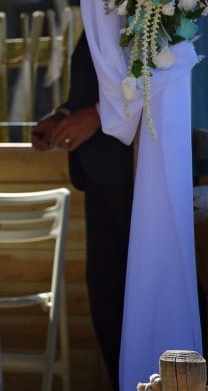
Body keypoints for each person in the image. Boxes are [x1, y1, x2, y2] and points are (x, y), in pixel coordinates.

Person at [31, 31, 134, 390]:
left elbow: (151, 79)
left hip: (136, 172)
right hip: (100, 173)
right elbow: (95, 81)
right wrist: (65, 115)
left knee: (140, 290)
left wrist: (97, 116)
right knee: (106, 292)